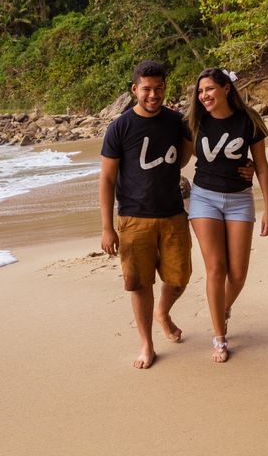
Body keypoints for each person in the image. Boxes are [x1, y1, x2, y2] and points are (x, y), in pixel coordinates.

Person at [99, 60, 193, 369]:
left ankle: (162, 312)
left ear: (165, 89)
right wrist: (106, 228)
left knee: (179, 278)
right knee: (140, 284)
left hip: (172, 215)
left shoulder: (176, 122)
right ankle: (147, 344)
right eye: (147, 89)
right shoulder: (120, 127)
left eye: (159, 89)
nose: (153, 95)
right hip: (133, 217)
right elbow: (107, 179)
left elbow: (183, 158)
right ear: (135, 89)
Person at [187, 68, 268, 363]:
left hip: (240, 200)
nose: (204, 96)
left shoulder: (248, 120)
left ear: (226, 88)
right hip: (204, 198)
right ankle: (219, 337)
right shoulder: (195, 122)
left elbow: (261, 166)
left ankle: (221, 308)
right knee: (216, 268)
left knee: (237, 274)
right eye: (200, 92)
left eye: (209, 89)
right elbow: (175, 152)